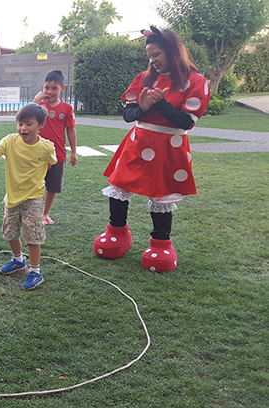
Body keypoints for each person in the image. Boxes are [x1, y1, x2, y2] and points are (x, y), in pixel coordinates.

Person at [93, 26, 210, 273]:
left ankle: (161, 244)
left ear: (172, 51)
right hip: (137, 142)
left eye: (156, 54)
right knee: (119, 187)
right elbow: (128, 114)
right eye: (149, 56)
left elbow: (186, 121)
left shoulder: (196, 82)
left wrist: (160, 104)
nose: (152, 61)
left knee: (161, 194)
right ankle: (117, 233)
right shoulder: (144, 78)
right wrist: (144, 108)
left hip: (170, 147)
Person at [0, 104, 57, 289]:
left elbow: (49, 164)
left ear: (41, 125)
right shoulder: (10, 141)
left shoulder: (46, 147)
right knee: (11, 233)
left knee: (32, 237)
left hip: (33, 199)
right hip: (11, 198)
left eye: (29, 124)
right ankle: (18, 261)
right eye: (20, 123)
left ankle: (35, 271)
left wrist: (35, 181)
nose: (23, 128)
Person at [32, 69, 78, 225]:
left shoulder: (67, 108)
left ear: (62, 89)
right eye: (47, 88)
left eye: (54, 88)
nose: (49, 91)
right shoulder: (39, 106)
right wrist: (36, 100)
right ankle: (31, 212)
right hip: (36, 153)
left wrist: (74, 152)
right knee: (33, 184)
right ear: (42, 87)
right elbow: (27, 118)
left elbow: (70, 130)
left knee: (52, 187)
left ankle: (45, 214)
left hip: (57, 154)